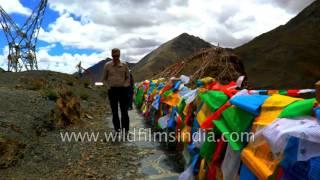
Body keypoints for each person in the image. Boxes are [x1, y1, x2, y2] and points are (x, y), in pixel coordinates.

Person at [102, 48, 130, 135]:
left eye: (117, 55)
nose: (116, 57)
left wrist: (125, 85)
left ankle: (125, 130)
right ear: (111, 55)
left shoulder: (124, 65)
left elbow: (128, 77)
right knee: (114, 111)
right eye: (114, 56)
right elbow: (104, 78)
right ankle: (117, 129)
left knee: (124, 111)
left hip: (123, 90)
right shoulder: (107, 65)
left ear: (119, 55)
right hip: (112, 90)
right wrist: (108, 86)